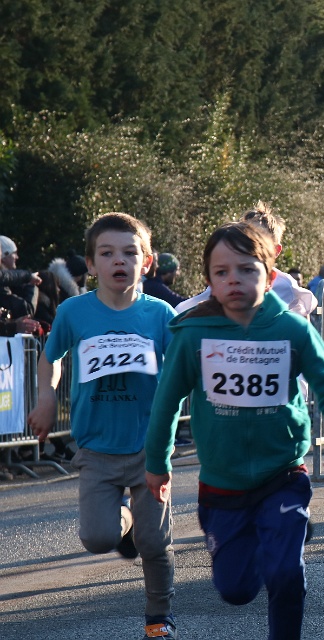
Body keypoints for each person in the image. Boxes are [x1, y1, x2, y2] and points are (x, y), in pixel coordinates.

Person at [144, 221, 324, 640]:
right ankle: (268, 542)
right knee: (236, 589)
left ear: (270, 275)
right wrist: (157, 463)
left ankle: (282, 554)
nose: (234, 280)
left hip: (282, 475)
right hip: (222, 485)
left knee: (285, 572)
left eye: (246, 269)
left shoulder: (291, 329)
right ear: (209, 281)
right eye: (222, 272)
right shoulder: (193, 335)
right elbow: (166, 402)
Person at [27, 212, 178, 639]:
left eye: (130, 253)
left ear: (146, 262)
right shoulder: (75, 312)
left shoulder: (160, 314)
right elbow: (51, 358)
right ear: (92, 265)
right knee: (97, 537)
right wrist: (46, 397)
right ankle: (123, 521)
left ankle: (159, 617)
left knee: (155, 543)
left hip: (150, 445)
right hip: (96, 447)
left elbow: (182, 367)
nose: (119, 260)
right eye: (107, 253)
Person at [175, 202, 317, 319]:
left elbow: (303, 316)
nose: (252, 251)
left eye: (261, 245)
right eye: (246, 243)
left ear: (276, 250)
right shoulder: (226, 276)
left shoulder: (286, 285)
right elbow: (195, 305)